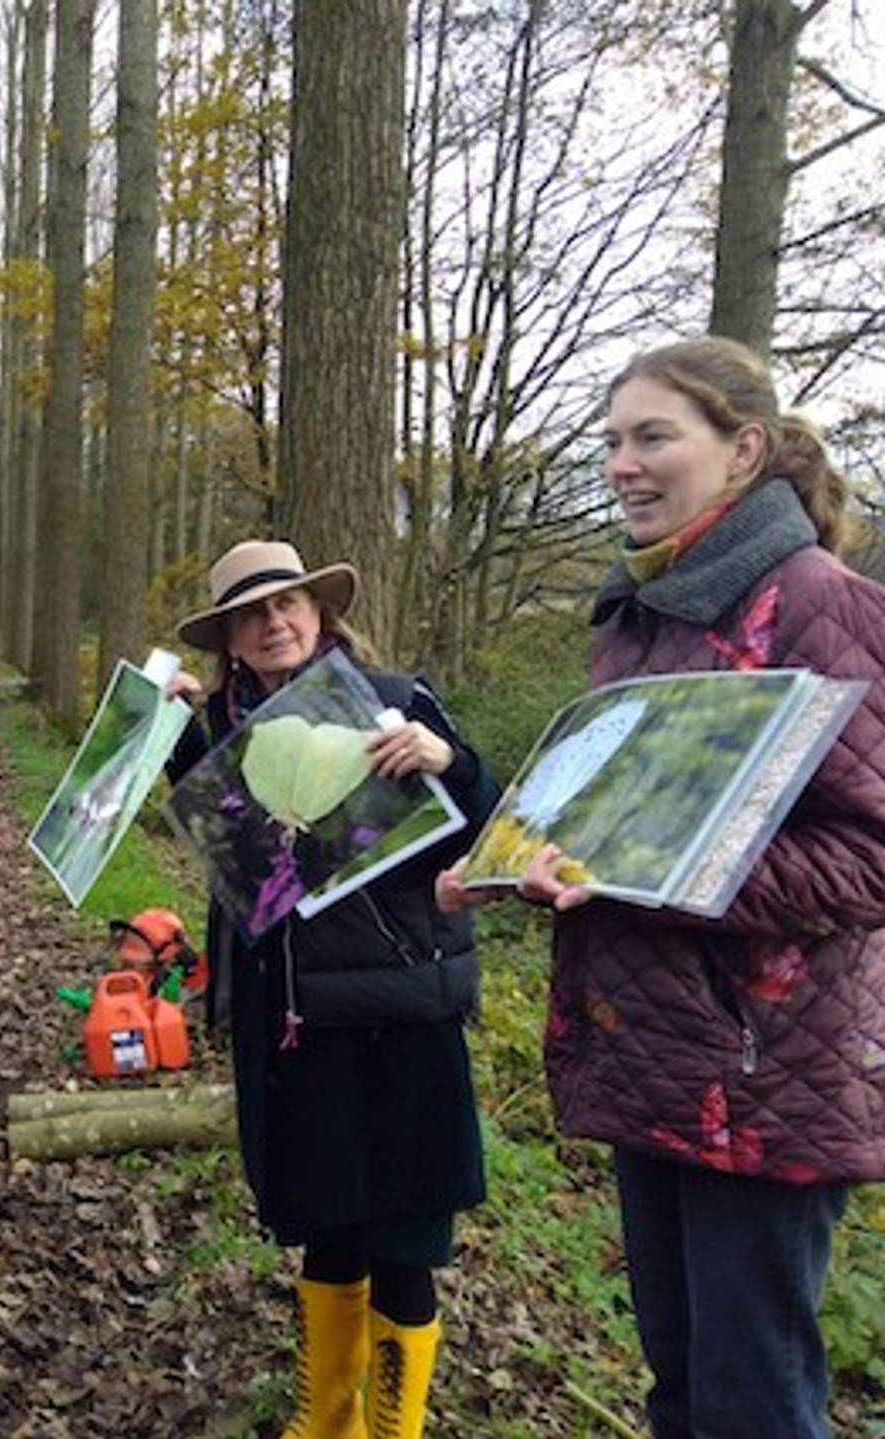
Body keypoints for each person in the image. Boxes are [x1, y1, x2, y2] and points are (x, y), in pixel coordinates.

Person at [440, 337, 885, 1439]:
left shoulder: (817, 601)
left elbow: (872, 852)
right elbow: (611, 821)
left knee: (756, 1405)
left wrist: (670, 872)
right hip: (649, 1054)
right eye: (610, 442)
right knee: (681, 1388)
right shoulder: (639, 614)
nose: (622, 464)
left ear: (743, 448)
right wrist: (521, 867)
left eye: (653, 436)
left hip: (761, 1070)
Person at [164, 539, 497, 1439]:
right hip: (294, 1020)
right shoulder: (229, 736)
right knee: (327, 1224)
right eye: (251, 614)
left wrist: (450, 760)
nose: (274, 623)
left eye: (289, 605)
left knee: (403, 1237)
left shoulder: (393, 700)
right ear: (230, 638)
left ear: (319, 612)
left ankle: (393, 1430)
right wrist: (169, 741)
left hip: (397, 1011)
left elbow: (487, 819)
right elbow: (245, 869)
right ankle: (326, 1422)